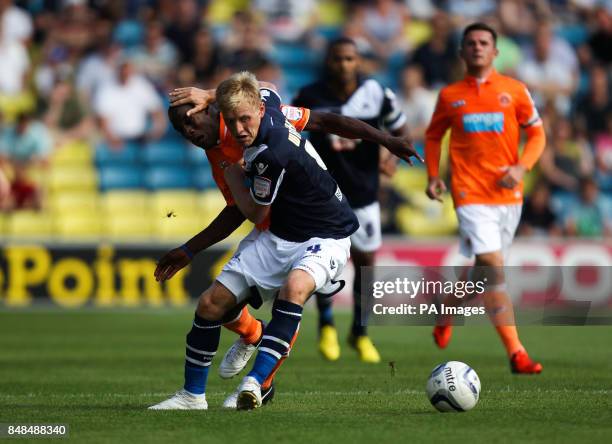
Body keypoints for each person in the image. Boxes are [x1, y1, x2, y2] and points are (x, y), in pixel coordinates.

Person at [149, 75, 420, 410]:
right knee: (211, 305)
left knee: (294, 288)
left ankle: (256, 382)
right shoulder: (245, 124)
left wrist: (385, 140)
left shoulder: (265, 146)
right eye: (181, 129)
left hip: (325, 231)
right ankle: (194, 394)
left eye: (192, 120)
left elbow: (251, 207)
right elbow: (264, 87)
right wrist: (190, 249)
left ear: (212, 111)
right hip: (276, 232)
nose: (189, 131)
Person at [425, 23, 546, 374]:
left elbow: (538, 135)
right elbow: (434, 137)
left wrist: (522, 167)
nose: (477, 48)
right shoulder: (450, 96)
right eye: (471, 43)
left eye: (484, 43)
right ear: (462, 53)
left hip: (509, 196)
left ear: (495, 52)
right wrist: (434, 176)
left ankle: (447, 306)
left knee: (483, 276)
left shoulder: (515, 91)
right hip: (469, 193)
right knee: (494, 270)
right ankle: (517, 354)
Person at [293, 37, 411, 363]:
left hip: (364, 193)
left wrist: (391, 161)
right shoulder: (309, 95)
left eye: (349, 59)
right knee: (323, 262)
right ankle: (327, 325)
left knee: (365, 266)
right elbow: (291, 136)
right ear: (328, 61)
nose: (343, 65)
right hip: (324, 194)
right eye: (337, 59)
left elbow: (403, 132)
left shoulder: (377, 93)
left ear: (357, 62)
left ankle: (360, 332)